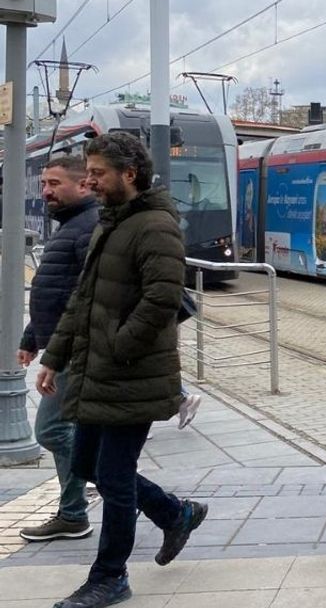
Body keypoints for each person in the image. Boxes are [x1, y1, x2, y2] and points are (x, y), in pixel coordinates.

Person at [37, 133, 206, 608]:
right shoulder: (110, 223)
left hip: (131, 373)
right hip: (98, 368)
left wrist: (118, 346)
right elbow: (83, 299)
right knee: (87, 464)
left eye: (97, 173)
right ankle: (176, 514)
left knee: (113, 476)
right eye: (87, 173)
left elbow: (162, 299)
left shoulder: (154, 225)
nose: (89, 181)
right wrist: (54, 355)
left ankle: (110, 576)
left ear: (128, 176)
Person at [17, 157, 98, 543]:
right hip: (62, 345)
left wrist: (54, 353)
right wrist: (32, 337)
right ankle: (74, 510)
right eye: (44, 183)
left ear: (84, 185)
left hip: (74, 349)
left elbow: (83, 299)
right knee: (68, 429)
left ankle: (130, 492)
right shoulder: (72, 226)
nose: (45, 191)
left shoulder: (87, 228)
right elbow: (57, 291)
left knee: (51, 429)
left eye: (53, 183)